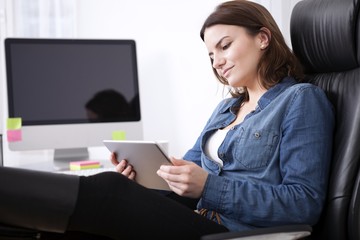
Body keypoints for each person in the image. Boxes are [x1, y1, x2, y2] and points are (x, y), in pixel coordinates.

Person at [0, 1, 334, 239]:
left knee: (107, 190)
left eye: (225, 46)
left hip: (239, 234)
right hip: (198, 221)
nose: (217, 61)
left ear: (263, 38)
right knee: (88, 216)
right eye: (210, 55)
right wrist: (145, 178)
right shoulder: (226, 110)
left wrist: (208, 186)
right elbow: (183, 173)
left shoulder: (301, 100)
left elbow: (303, 203)